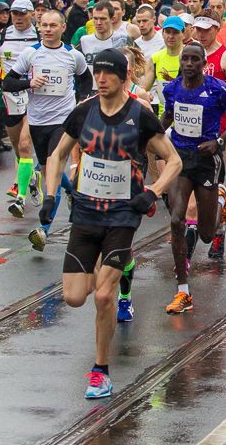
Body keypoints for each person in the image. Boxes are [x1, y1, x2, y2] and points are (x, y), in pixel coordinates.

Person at [39, 49, 181, 398]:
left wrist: (154, 191)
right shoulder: (84, 111)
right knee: (74, 297)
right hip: (86, 214)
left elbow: (173, 160)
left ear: (123, 76)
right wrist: (50, 195)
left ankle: (100, 371)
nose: (100, 80)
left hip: (122, 215)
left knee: (103, 296)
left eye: (107, 74)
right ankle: (115, 266)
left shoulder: (140, 115)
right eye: (96, 74)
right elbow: (57, 154)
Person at [162, 43, 226, 313]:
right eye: (184, 59)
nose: (188, 64)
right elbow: (167, 115)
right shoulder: (172, 89)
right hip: (180, 158)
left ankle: (220, 201)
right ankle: (183, 291)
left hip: (207, 160)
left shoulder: (216, 88)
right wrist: (150, 137)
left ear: (203, 63)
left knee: (208, 234)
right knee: (177, 218)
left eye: (194, 60)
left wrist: (220, 140)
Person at [2, 9, 91, 249]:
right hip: (38, 121)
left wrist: (81, 100)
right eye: (44, 25)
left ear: (63, 28)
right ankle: (74, 193)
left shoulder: (73, 55)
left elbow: (86, 79)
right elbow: (7, 83)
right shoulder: (31, 54)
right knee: (47, 167)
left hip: (64, 121)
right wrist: (28, 83)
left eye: (53, 25)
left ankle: (44, 228)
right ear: (40, 27)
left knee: (53, 165)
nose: (48, 29)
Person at [0, 0, 41, 216]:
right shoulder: (2, 37)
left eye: (23, 13)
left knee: (25, 146)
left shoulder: (40, 36)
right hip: (10, 98)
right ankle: (33, 177)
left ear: (32, 14)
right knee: (18, 148)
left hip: (35, 97)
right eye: (15, 13)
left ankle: (21, 197)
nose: (18, 18)